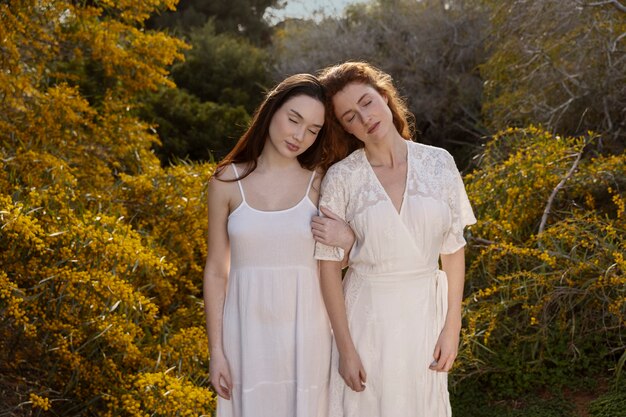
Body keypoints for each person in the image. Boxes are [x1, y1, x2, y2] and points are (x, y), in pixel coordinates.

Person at [313, 62, 476, 417]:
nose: (365, 117)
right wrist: (345, 348)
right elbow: (327, 270)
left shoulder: (439, 163)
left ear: (384, 97)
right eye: (350, 116)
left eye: (367, 102)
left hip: (424, 319)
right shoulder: (342, 178)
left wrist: (452, 326)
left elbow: (453, 251)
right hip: (365, 320)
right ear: (344, 128)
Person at [203, 73, 354, 417]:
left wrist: (348, 239)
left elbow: (336, 263)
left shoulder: (320, 183)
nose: (300, 136)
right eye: (294, 119)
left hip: (308, 337)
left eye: (313, 129)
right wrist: (217, 351)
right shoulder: (226, 181)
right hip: (245, 338)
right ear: (272, 110)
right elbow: (215, 271)